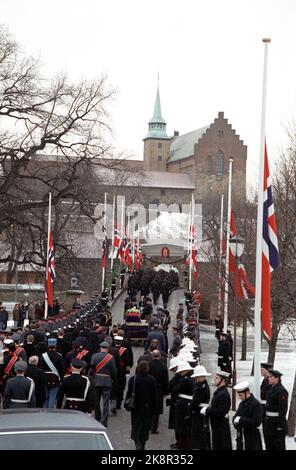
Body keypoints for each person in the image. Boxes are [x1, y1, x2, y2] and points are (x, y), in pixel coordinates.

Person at [125, 360, 157, 450]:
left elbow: (129, 393)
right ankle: (142, 444)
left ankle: (137, 442)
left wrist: (126, 404)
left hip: (136, 406)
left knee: (135, 425)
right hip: (147, 407)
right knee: (145, 427)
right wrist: (154, 409)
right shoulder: (152, 379)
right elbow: (154, 396)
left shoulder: (133, 379)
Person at [200, 370, 232, 450]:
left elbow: (220, 412)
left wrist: (207, 410)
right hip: (217, 424)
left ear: (223, 381)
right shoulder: (219, 391)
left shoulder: (224, 394)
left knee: (222, 445)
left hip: (221, 425)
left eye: (217, 378)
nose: (214, 379)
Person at [90, 340, 117, 427]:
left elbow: (92, 369)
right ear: (108, 349)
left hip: (97, 380)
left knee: (96, 402)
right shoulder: (111, 357)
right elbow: (114, 371)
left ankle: (97, 419)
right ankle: (104, 421)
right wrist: (113, 380)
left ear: (100, 348)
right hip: (106, 381)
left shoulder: (94, 356)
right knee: (106, 403)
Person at [263, 369, 289, 450]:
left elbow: (283, 410)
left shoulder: (281, 391)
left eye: (271, 377)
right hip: (269, 423)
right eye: (269, 377)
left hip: (276, 423)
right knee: (269, 445)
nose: (269, 378)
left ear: (277, 378)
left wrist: (280, 426)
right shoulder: (271, 388)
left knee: (278, 446)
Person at [232, 381, 263, 450]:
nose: (240, 397)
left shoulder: (256, 404)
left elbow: (257, 421)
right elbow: (236, 416)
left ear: (247, 392)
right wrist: (235, 421)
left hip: (252, 436)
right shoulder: (242, 403)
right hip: (241, 434)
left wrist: (241, 420)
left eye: (241, 395)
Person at [172, 361, 194, 450]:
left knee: (182, 427)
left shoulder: (185, 380)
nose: (179, 373)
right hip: (185, 403)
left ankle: (183, 445)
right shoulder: (189, 378)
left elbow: (175, 389)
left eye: (181, 371)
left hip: (184, 405)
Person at [190, 365, 211, 450]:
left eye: (197, 377)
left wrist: (190, 407)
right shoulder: (202, 385)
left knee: (200, 434)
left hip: (199, 413)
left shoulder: (201, 388)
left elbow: (195, 402)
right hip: (200, 411)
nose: (196, 379)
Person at [39, 337, 64, 408]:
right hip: (55, 378)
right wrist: (61, 379)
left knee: (45, 396)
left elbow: (41, 368)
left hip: (45, 377)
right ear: (55, 346)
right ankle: (51, 411)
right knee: (53, 396)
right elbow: (61, 369)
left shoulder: (43, 356)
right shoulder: (59, 356)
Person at [148, 350, 169, 434]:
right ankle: (154, 428)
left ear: (152, 356)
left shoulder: (148, 365)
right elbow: (166, 380)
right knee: (156, 410)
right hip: (159, 390)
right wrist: (166, 392)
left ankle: (149, 425)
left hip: (149, 388)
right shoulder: (163, 366)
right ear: (159, 356)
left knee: (149, 407)